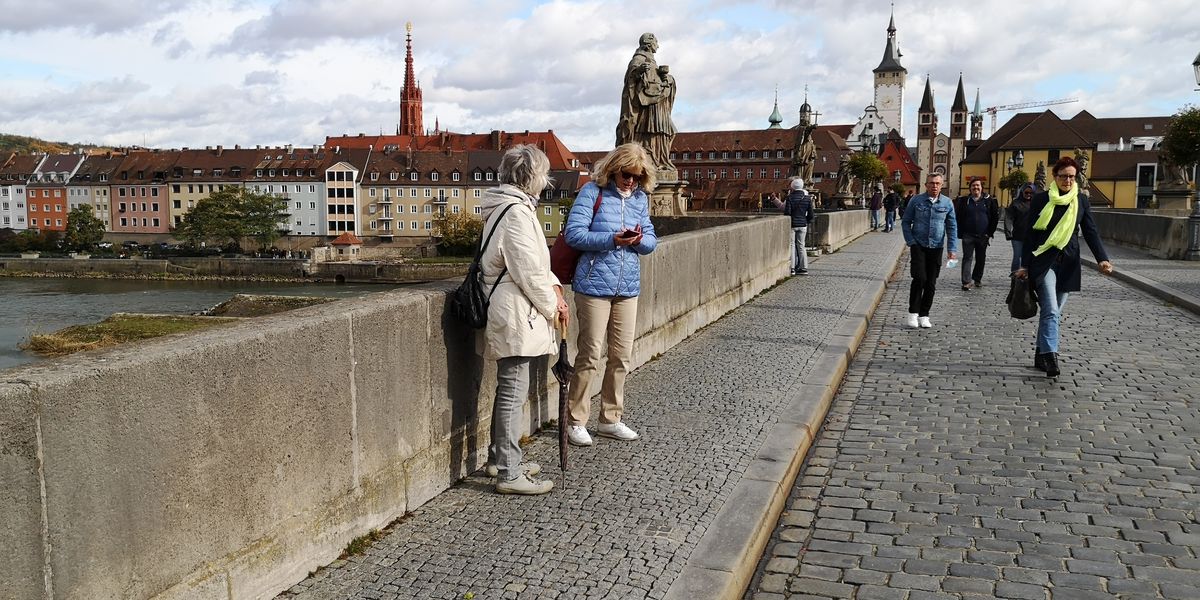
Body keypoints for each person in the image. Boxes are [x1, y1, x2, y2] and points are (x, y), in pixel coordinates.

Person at [478, 145, 570, 495]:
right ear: (532, 176)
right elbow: (529, 272)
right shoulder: (516, 213)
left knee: (509, 390)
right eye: (544, 175)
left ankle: (499, 459)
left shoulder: (508, 207)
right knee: (512, 392)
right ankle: (509, 472)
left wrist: (555, 288)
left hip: (514, 309)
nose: (546, 182)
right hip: (515, 313)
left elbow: (537, 266)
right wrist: (554, 306)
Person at [564, 143, 658, 446]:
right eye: (626, 174)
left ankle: (610, 419)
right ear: (614, 170)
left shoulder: (640, 199)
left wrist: (638, 240)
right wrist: (612, 240)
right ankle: (576, 420)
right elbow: (574, 234)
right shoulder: (592, 192)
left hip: (627, 287)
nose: (630, 181)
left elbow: (651, 241)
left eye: (637, 176)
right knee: (590, 354)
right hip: (593, 286)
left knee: (621, 357)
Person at [1015, 156, 1113, 378]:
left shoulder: (1081, 200)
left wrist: (1102, 258)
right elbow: (1031, 234)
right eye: (1064, 176)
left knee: (1054, 312)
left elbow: (1091, 231)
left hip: (1069, 263)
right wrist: (1024, 265)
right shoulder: (1041, 200)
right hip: (1044, 262)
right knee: (1050, 310)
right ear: (1055, 176)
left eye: (1071, 177)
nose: (1068, 181)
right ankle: (1051, 357)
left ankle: (1040, 353)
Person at [900, 173, 958, 329]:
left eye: (937, 183)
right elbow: (906, 222)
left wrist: (952, 249)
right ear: (926, 185)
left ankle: (924, 315)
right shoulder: (916, 200)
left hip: (936, 247)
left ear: (942, 185)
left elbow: (952, 227)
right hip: (918, 245)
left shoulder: (947, 203)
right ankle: (913, 312)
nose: (934, 186)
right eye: (931, 183)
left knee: (931, 283)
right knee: (919, 278)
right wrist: (911, 242)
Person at [953, 178, 1000, 290]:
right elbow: (958, 217)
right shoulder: (964, 201)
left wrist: (990, 233)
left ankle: (977, 278)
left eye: (978, 185)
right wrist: (960, 232)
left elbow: (994, 217)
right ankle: (966, 281)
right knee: (967, 258)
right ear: (970, 188)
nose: (976, 187)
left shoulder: (988, 201)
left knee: (980, 258)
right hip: (968, 235)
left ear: (981, 187)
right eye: (973, 185)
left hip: (983, 235)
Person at [783, 177, 815, 275]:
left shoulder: (790, 198)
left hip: (792, 224)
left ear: (792, 187)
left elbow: (787, 213)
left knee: (792, 245)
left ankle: (792, 268)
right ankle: (803, 267)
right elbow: (811, 214)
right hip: (803, 224)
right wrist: (806, 221)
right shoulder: (807, 198)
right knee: (801, 246)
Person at [1005, 183, 1035, 273]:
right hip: (1017, 236)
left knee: (1029, 258)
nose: (1028, 195)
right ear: (1022, 192)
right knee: (1017, 257)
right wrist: (1008, 232)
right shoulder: (1016, 203)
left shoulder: (1036, 203)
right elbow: (1008, 218)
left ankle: (1026, 276)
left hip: (1032, 237)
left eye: (1031, 193)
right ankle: (1014, 275)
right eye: (1026, 192)